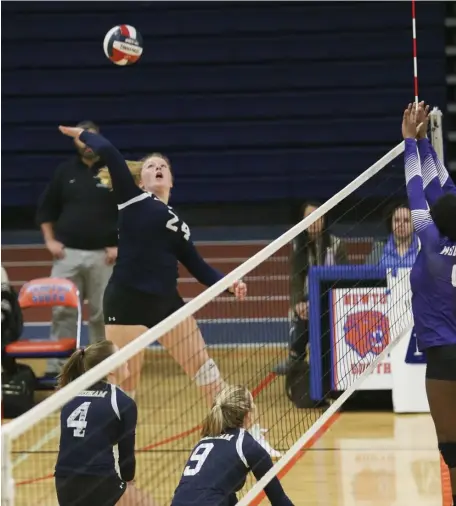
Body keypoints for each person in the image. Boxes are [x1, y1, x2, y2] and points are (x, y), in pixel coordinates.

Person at [57, 125, 280, 458]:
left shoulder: (178, 221)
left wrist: (229, 284)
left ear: (171, 180)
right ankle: (110, 452)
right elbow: (112, 153)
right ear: (141, 180)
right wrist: (86, 133)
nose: (158, 168)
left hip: (166, 304)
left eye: (164, 166)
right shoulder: (131, 199)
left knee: (206, 372)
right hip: (126, 301)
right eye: (150, 166)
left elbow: (198, 266)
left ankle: (249, 437)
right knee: (123, 385)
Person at [402, 102, 456, 506]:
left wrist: (410, 142)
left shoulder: (430, 238)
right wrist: (425, 146)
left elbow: (416, 191)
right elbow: (443, 188)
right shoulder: (441, 230)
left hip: (442, 358)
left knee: (451, 452)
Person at [36, 120, 119, 378]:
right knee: (63, 311)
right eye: (81, 138)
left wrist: (119, 244)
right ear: (75, 142)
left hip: (104, 258)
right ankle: (59, 367)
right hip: (67, 256)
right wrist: (50, 241)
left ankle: (100, 367)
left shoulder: (112, 172)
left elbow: (129, 211)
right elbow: (46, 209)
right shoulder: (64, 172)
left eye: (90, 138)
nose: (87, 144)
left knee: (101, 313)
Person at [54, 340, 157, 506]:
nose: (126, 360)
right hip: (99, 480)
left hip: (64, 483)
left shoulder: (71, 396)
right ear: (110, 369)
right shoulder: (122, 402)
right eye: (120, 357)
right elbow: (126, 457)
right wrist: (128, 482)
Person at [171, 385, 294, 506]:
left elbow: (225, 495)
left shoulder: (203, 442)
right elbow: (279, 500)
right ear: (248, 415)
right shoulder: (248, 446)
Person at [273, 201, 348, 378]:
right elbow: (296, 279)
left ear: (323, 220)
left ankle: (296, 356)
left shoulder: (337, 245)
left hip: (334, 299)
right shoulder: (298, 245)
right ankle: (297, 358)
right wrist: (298, 303)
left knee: (311, 307)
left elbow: (345, 279)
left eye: (317, 217)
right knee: (303, 310)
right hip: (309, 300)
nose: (313, 222)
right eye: (309, 218)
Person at [366, 203, 419, 268]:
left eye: (406, 221)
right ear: (390, 223)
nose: (401, 225)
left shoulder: (424, 250)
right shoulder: (377, 252)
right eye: (397, 220)